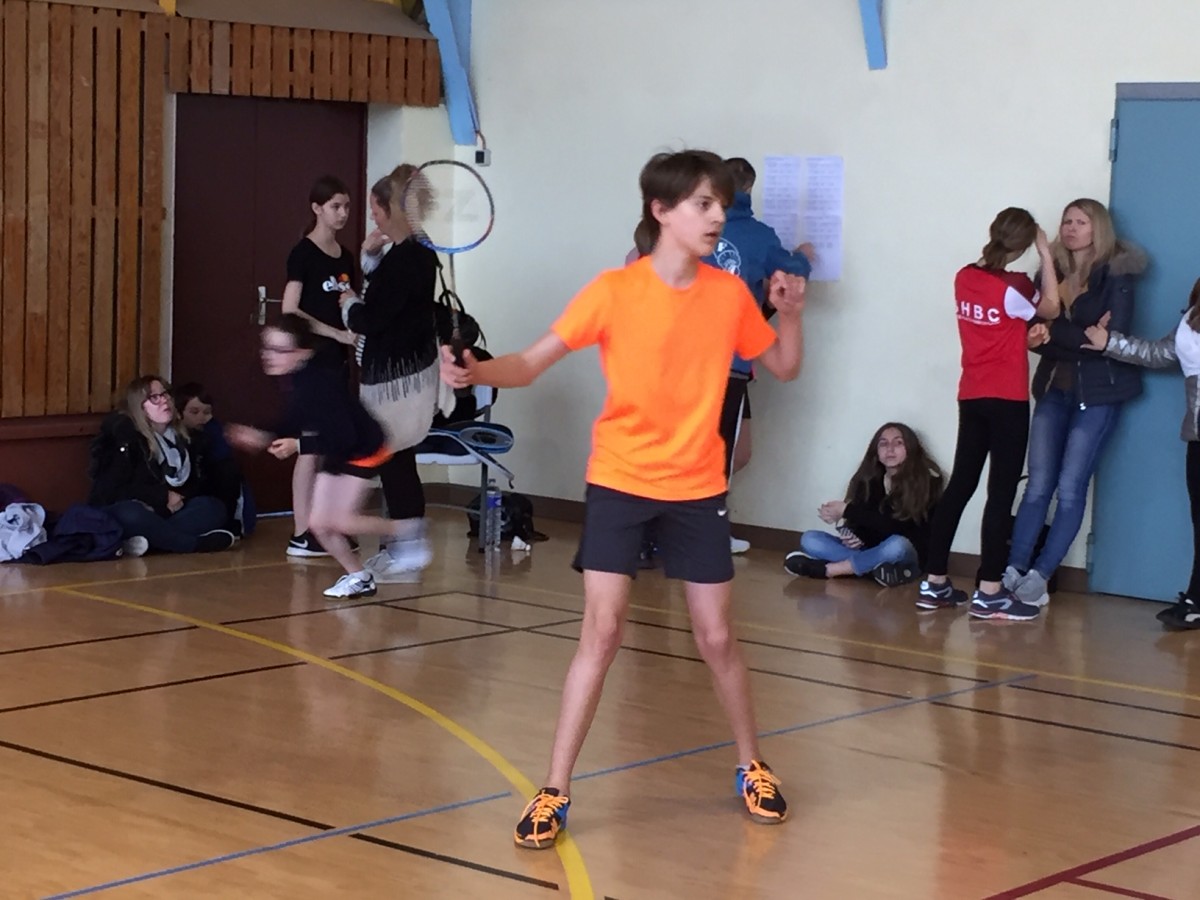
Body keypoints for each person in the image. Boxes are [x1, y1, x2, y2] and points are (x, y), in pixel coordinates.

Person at [440, 150, 807, 848]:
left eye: (721, 204)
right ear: (661, 211)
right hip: (620, 481)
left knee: (717, 637)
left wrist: (790, 314)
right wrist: (477, 371)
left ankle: (752, 766)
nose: (718, 216)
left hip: (697, 487)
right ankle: (554, 789)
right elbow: (532, 363)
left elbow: (784, 366)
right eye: (704, 204)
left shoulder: (730, 295)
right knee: (601, 634)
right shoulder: (612, 292)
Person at [917, 208, 1060, 620]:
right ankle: (990, 591)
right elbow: (1051, 308)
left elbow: (1000, 327)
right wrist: (1046, 254)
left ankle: (934, 582)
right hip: (1007, 398)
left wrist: (1023, 337)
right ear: (1024, 244)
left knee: (961, 485)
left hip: (972, 394)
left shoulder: (964, 277)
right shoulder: (1015, 286)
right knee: (1000, 493)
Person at [1003, 200, 1147, 608]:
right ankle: (1013, 568)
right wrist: (1077, 335)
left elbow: (1111, 338)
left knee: (1069, 487)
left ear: (1097, 228)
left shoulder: (1116, 273)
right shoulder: (1050, 271)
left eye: (1081, 222)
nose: (1071, 228)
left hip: (1098, 393)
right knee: (1037, 485)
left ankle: (1040, 576)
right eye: (1067, 221)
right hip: (1053, 388)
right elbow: (1034, 330)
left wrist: (1058, 332)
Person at [226, 315, 407, 599]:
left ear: (303, 353)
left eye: (280, 350)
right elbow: (295, 419)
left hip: (364, 450)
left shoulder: (318, 384)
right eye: (266, 347)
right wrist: (264, 435)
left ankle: (408, 531)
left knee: (339, 521)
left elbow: (344, 437)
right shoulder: (298, 378)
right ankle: (359, 577)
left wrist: (298, 445)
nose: (269, 356)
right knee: (319, 524)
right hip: (338, 451)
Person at [704, 157, 814, 553]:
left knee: (734, 450)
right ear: (749, 189)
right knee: (716, 455)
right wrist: (804, 257)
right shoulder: (756, 235)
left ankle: (693, 524)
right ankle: (703, 534)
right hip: (727, 363)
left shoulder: (693, 229)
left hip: (707, 362)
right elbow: (793, 270)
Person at [339, 165, 443, 581]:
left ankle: (408, 548)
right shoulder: (411, 254)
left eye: (374, 208)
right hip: (401, 376)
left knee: (393, 459)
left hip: (398, 382)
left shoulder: (410, 257)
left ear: (389, 208)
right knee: (397, 460)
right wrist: (370, 257)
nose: (372, 216)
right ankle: (403, 547)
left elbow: (373, 317)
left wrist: (349, 304)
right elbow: (386, 293)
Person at [1084, 276, 1200, 629]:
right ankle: (1197, 599)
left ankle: (1196, 599)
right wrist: (1109, 342)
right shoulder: (1192, 316)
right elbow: (1159, 353)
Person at [281, 175, 360, 558]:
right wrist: (335, 334)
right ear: (317, 208)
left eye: (346, 206)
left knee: (331, 444)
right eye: (335, 207)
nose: (342, 213)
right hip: (311, 362)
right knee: (309, 446)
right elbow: (290, 309)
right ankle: (302, 533)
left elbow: (348, 302)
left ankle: (327, 525)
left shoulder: (345, 257)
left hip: (337, 362)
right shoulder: (303, 253)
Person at [88, 376, 237, 556]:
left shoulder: (187, 438)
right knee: (130, 514)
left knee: (212, 508)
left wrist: (180, 498)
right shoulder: (127, 438)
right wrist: (161, 498)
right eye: (154, 398)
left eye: (165, 394)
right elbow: (112, 490)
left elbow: (195, 484)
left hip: (169, 513)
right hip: (139, 508)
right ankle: (192, 544)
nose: (164, 401)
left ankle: (150, 543)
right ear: (140, 408)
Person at [786, 422, 944, 587]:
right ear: (876, 450)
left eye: (898, 443)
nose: (890, 449)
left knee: (897, 545)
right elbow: (864, 522)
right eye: (883, 444)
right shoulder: (869, 479)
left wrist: (847, 510)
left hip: (906, 551)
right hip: (871, 551)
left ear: (911, 448)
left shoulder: (928, 482)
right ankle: (880, 571)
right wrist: (855, 536)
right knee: (810, 539)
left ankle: (829, 570)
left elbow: (900, 528)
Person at [171, 382, 256, 537]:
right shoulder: (172, 434)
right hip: (184, 491)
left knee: (227, 469)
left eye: (207, 412)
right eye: (194, 412)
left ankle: (227, 523)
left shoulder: (213, 429)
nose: (202, 417)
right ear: (178, 413)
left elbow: (222, 457)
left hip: (210, 485)